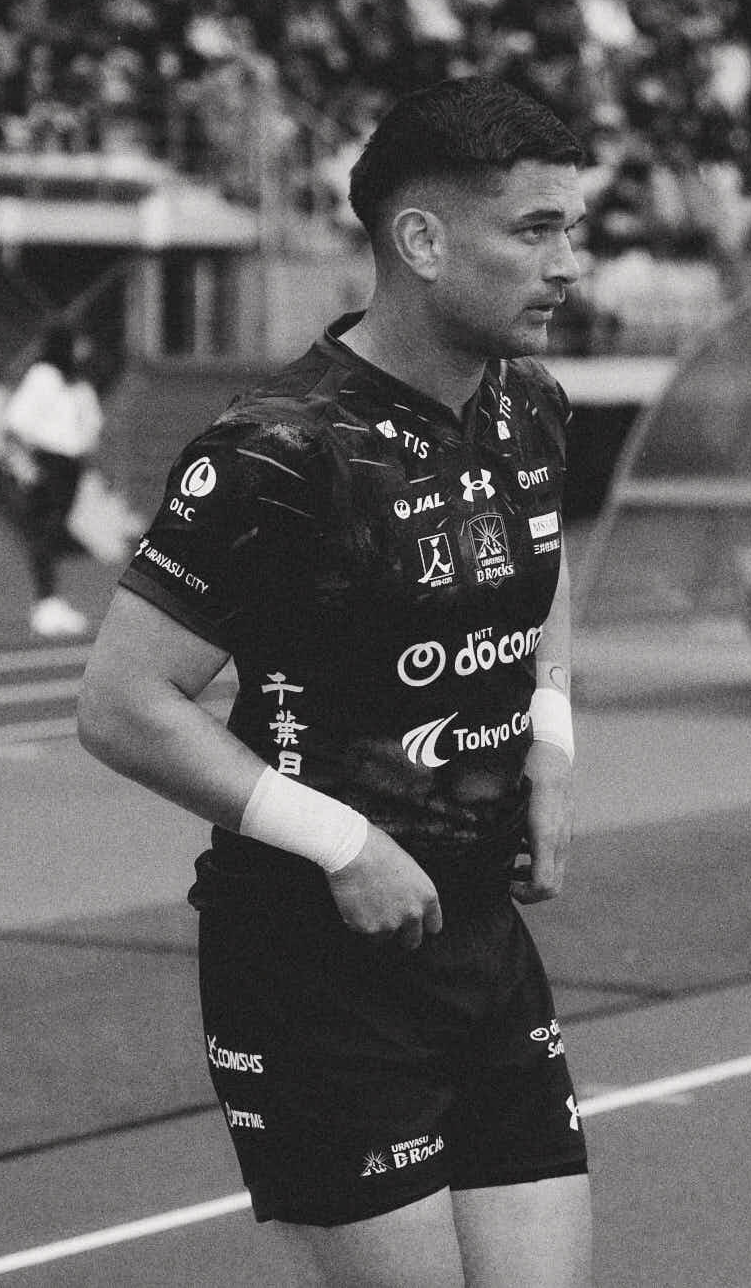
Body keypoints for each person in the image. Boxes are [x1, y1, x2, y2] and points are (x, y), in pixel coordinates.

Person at [77, 76, 591, 1287]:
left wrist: (551, 742)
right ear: (420, 241)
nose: (568, 265)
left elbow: (541, 565)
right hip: (311, 964)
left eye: (571, 229)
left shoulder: (528, 405)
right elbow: (121, 704)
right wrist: (341, 842)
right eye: (534, 230)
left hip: (479, 935)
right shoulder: (277, 450)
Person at [2, 323, 102, 637]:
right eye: (78, 343)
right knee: (45, 531)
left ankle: (50, 600)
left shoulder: (76, 383)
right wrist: (26, 468)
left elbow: (90, 425)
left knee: (54, 532)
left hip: (70, 464)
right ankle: (46, 603)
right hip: (48, 462)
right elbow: (15, 422)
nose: (84, 349)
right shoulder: (43, 377)